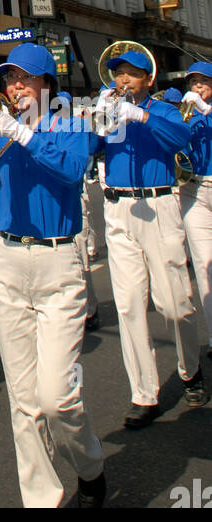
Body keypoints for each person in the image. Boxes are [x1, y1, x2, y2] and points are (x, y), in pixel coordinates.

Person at [0, 43, 105, 509]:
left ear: (48, 85)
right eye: (9, 80)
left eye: (25, 79)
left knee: (56, 397)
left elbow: (70, 170)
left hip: (57, 262)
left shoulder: (72, 121)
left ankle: (89, 467)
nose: (15, 87)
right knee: (24, 401)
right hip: (7, 259)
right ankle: (42, 500)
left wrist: (20, 134)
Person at [95, 48, 207, 428]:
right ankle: (144, 394)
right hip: (117, 209)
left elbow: (180, 138)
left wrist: (140, 116)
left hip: (158, 206)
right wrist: (93, 121)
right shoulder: (109, 110)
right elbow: (87, 149)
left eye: (131, 74)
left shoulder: (163, 109)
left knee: (175, 303)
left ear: (148, 80)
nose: (122, 81)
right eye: (118, 74)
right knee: (128, 305)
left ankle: (190, 369)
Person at [175, 61, 212, 361]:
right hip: (193, 190)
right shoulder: (186, 113)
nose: (197, 88)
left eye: (203, 82)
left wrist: (207, 110)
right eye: (193, 83)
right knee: (204, 266)